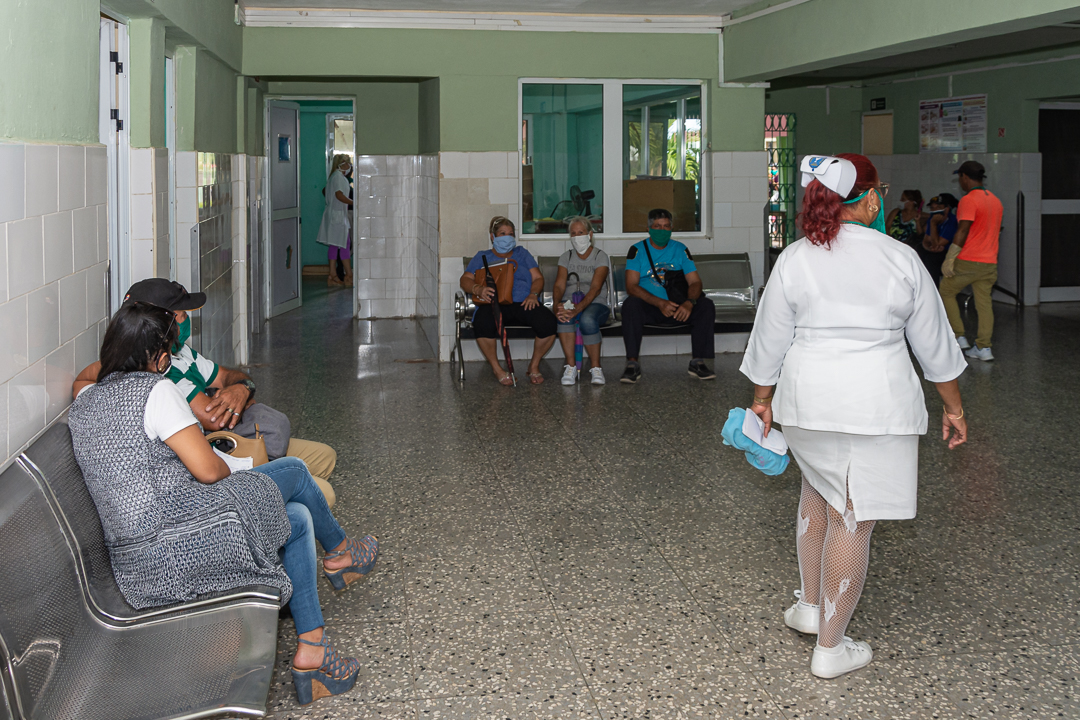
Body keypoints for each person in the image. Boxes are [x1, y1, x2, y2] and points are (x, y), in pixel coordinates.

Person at [68, 302, 379, 706]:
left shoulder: (87, 399)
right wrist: (251, 486)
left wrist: (119, 357)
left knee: (297, 517)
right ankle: (339, 552)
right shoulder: (157, 391)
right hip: (177, 546)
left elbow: (84, 375)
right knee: (295, 473)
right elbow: (209, 472)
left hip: (136, 563)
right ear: (161, 357)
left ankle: (313, 651)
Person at [741, 153, 968, 679]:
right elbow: (934, 345)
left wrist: (762, 399)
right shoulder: (899, 258)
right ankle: (830, 648)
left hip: (804, 402)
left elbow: (769, 338)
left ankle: (808, 606)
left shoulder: (796, 257)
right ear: (869, 198)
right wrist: (953, 408)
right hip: (873, 405)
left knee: (817, 492)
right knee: (853, 514)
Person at [73, 279, 339, 507]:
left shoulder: (181, 352)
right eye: (181, 314)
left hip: (224, 451)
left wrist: (241, 388)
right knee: (318, 494)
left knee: (325, 457)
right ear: (159, 323)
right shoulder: (160, 379)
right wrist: (128, 359)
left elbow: (227, 377)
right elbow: (215, 421)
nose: (186, 320)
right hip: (218, 454)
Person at [620, 208, 716, 383]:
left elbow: (695, 282)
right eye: (657, 226)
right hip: (651, 307)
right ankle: (632, 363)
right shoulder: (637, 250)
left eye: (666, 226)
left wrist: (690, 302)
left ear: (672, 228)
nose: (662, 231)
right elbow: (631, 286)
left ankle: (698, 361)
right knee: (630, 305)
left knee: (706, 306)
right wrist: (659, 303)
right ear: (648, 229)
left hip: (680, 307)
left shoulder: (680, 249)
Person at [459, 216, 557, 385]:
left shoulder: (522, 254)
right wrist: (478, 289)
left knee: (548, 323)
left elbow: (538, 278)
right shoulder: (482, 256)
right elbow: (465, 279)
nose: (507, 237)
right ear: (492, 237)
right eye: (502, 233)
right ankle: (498, 369)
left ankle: (533, 366)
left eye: (510, 234)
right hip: (493, 303)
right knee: (482, 323)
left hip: (524, 302)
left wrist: (533, 294)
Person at [938, 161, 1003, 361]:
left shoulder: (968, 200)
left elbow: (963, 230)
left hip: (968, 260)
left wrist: (950, 258)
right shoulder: (995, 201)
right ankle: (984, 348)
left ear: (965, 177)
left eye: (960, 177)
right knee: (984, 304)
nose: (960, 181)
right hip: (989, 262)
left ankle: (959, 337)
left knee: (946, 291)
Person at [551, 216, 611, 386]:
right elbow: (559, 285)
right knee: (564, 315)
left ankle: (596, 367)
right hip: (571, 301)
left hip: (595, 303)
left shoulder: (600, 256)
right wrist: (557, 305)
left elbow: (596, 288)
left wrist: (578, 309)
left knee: (587, 319)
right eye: (573, 233)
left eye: (581, 232)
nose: (577, 237)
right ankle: (570, 366)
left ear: (590, 234)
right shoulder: (566, 257)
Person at [316, 154, 354, 288]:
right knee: (344, 243)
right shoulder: (338, 177)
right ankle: (349, 275)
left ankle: (332, 275)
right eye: (348, 163)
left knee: (334, 244)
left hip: (335, 215)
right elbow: (339, 195)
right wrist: (354, 203)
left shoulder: (335, 176)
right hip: (337, 216)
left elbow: (326, 191)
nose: (350, 165)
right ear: (342, 164)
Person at [918, 193, 959, 286]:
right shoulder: (932, 219)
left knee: (931, 259)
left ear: (946, 209)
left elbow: (939, 244)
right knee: (918, 250)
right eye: (932, 208)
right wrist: (929, 248)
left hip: (949, 253)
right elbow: (926, 241)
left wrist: (933, 225)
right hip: (934, 250)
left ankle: (932, 289)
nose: (935, 211)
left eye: (938, 207)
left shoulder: (952, 221)